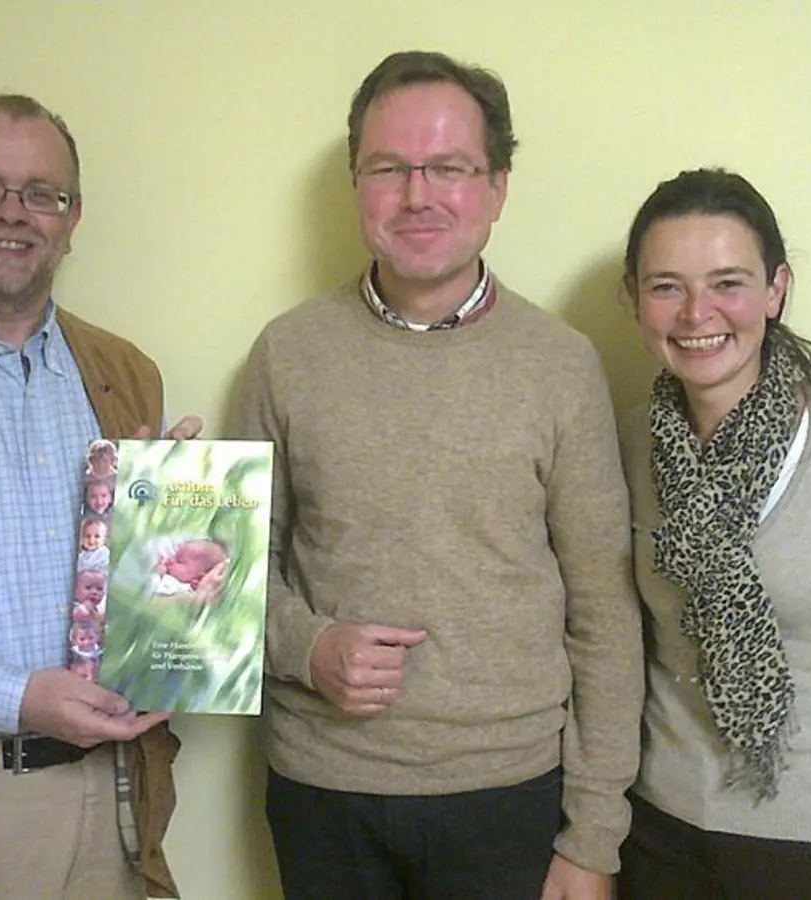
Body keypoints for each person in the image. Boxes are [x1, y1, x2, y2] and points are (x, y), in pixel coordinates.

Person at [235, 50, 641, 900]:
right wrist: (309, 650)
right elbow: (226, 579)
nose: (418, 195)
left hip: (512, 796)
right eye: (389, 168)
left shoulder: (561, 365)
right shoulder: (287, 353)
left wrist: (595, 838)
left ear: (496, 188)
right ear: (357, 186)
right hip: (323, 791)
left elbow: (605, 612)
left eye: (450, 168)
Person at [0, 93, 200, 900]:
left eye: (42, 194)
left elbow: (151, 606)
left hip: (120, 799)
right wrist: (20, 697)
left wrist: (181, 528)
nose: (13, 214)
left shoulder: (126, 372)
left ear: (72, 217)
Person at [614, 168, 811, 898]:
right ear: (633, 298)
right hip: (662, 832)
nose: (697, 312)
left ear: (775, 290)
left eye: (728, 283)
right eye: (667, 285)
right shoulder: (631, 446)